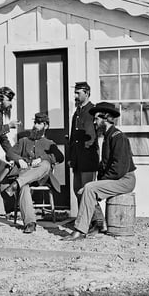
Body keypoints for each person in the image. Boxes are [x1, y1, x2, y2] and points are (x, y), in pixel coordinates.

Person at [63, 102, 136, 240]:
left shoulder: (118, 137)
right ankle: (96, 224)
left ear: (106, 118)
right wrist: (99, 183)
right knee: (88, 188)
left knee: (89, 188)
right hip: (118, 178)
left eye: (96, 119)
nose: (95, 123)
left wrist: (99, 184)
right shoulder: (108, 136)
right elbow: (105, 165)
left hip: (125, 180)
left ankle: (80, 230)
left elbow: (119, 169)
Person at [4, 113, 64, 233]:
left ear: (45, 126)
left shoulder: (49, 143)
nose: (35, 126)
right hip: (26, 175)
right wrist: (19, 160)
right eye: (35, 123)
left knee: (46, 164)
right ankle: (30, 223)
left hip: (42, 177)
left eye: (39, 123)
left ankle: (15, 184)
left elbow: (59, 157)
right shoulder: (24, 141)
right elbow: (9, 154)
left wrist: (42, 158)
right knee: (24, 186)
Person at [68, 81, 105, 232]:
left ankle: (98, 221)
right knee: (77, 189)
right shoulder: (77, 112)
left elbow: (99, 136)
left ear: (87, 93)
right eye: (75, 93)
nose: (75, 95)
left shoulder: (94, 111)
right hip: (77, 159)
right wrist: (71, 157)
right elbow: (72, 138)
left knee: (87, 191)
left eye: (78, 93)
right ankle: (87, 220)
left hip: (89, 158)